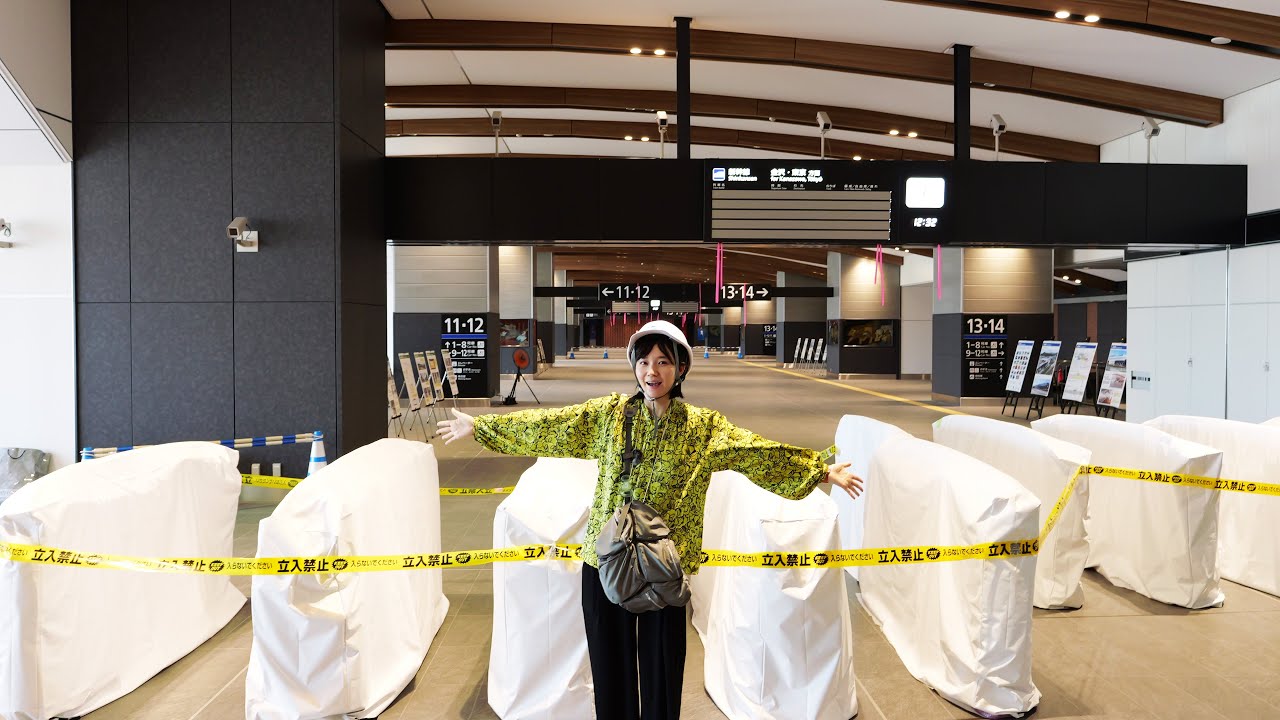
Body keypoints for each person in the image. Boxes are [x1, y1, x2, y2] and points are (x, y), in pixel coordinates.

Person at [438, 320, 862, 720]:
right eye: (643, 361)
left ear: (680, 368)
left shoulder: (703, 428)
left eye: (663, 361)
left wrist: (820, 470)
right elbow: (550, 426)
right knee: (610, 667)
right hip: (606, 561)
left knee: (662, 670)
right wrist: (482, 428)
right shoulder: (609, 415)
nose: (651, 371)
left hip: (665, 567)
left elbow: (756, 451)